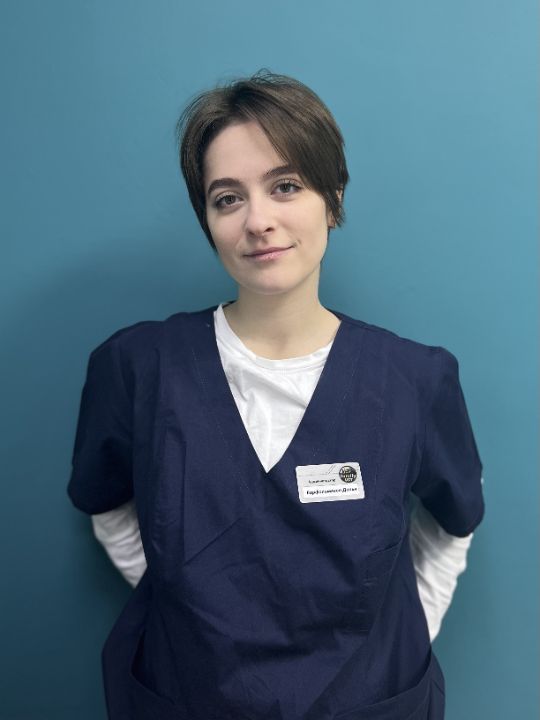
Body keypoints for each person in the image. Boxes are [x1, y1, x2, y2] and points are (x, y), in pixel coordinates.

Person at [67, 69, 485, 720]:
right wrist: (181, 603)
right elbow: (105, 505)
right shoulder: (138, 369)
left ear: (333, 197)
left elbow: (453, 525)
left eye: (285, 186)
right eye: (227, 198)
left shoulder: (413, 380)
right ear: (208, 220)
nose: (258, 221)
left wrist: (406, 632)